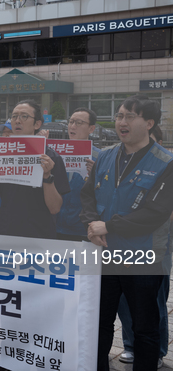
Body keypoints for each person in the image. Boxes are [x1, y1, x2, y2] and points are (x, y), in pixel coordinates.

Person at [81, 95, 173, 371]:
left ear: (149, 123)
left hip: (144, 256)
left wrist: (108, 226)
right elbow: (87, 196)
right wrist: (92, 223)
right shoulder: (106, 156)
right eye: (120, 116)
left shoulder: (166, 163)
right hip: (104, 253)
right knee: (99, 321)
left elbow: (155, 213)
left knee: (144, 327)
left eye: (129, 117)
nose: (122, 122)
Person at [0, 100, 70, 239]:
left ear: (37, 124)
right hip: (6, 234)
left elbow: (55, 208)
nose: (17, 121)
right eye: (14, 116)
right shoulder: (0, 154)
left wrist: (47, 176)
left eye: (24, 116)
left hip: (40, 237)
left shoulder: (51, 157)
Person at [117, 124, 170, 369]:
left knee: (153, 304)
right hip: (120, 244)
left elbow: (158, 212)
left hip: (153, 247)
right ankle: (130, 344)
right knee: (125, 303)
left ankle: (156, 351)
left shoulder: (164, 164)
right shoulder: (115, 160)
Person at [55, 107, 101, 241]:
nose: (73, 126)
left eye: (79, 123)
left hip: (83, 230)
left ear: (91, 129)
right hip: (54, 226)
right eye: (71, 122)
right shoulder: (55, 153)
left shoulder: (100, 157)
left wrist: (96, 176)